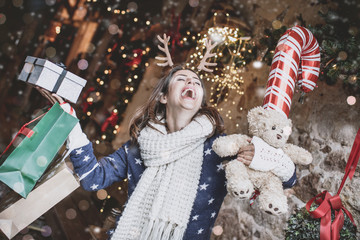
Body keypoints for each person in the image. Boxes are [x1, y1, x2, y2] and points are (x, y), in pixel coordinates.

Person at [38, 64, 296, 240]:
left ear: (199, 102)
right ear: (163, 97)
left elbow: (285, 180)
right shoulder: (138, 149)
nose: (191, 82)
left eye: (196, 82)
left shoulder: (219, 148)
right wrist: (69, 123)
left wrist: (270, 160)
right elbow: (92, 177)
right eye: (182, 79)